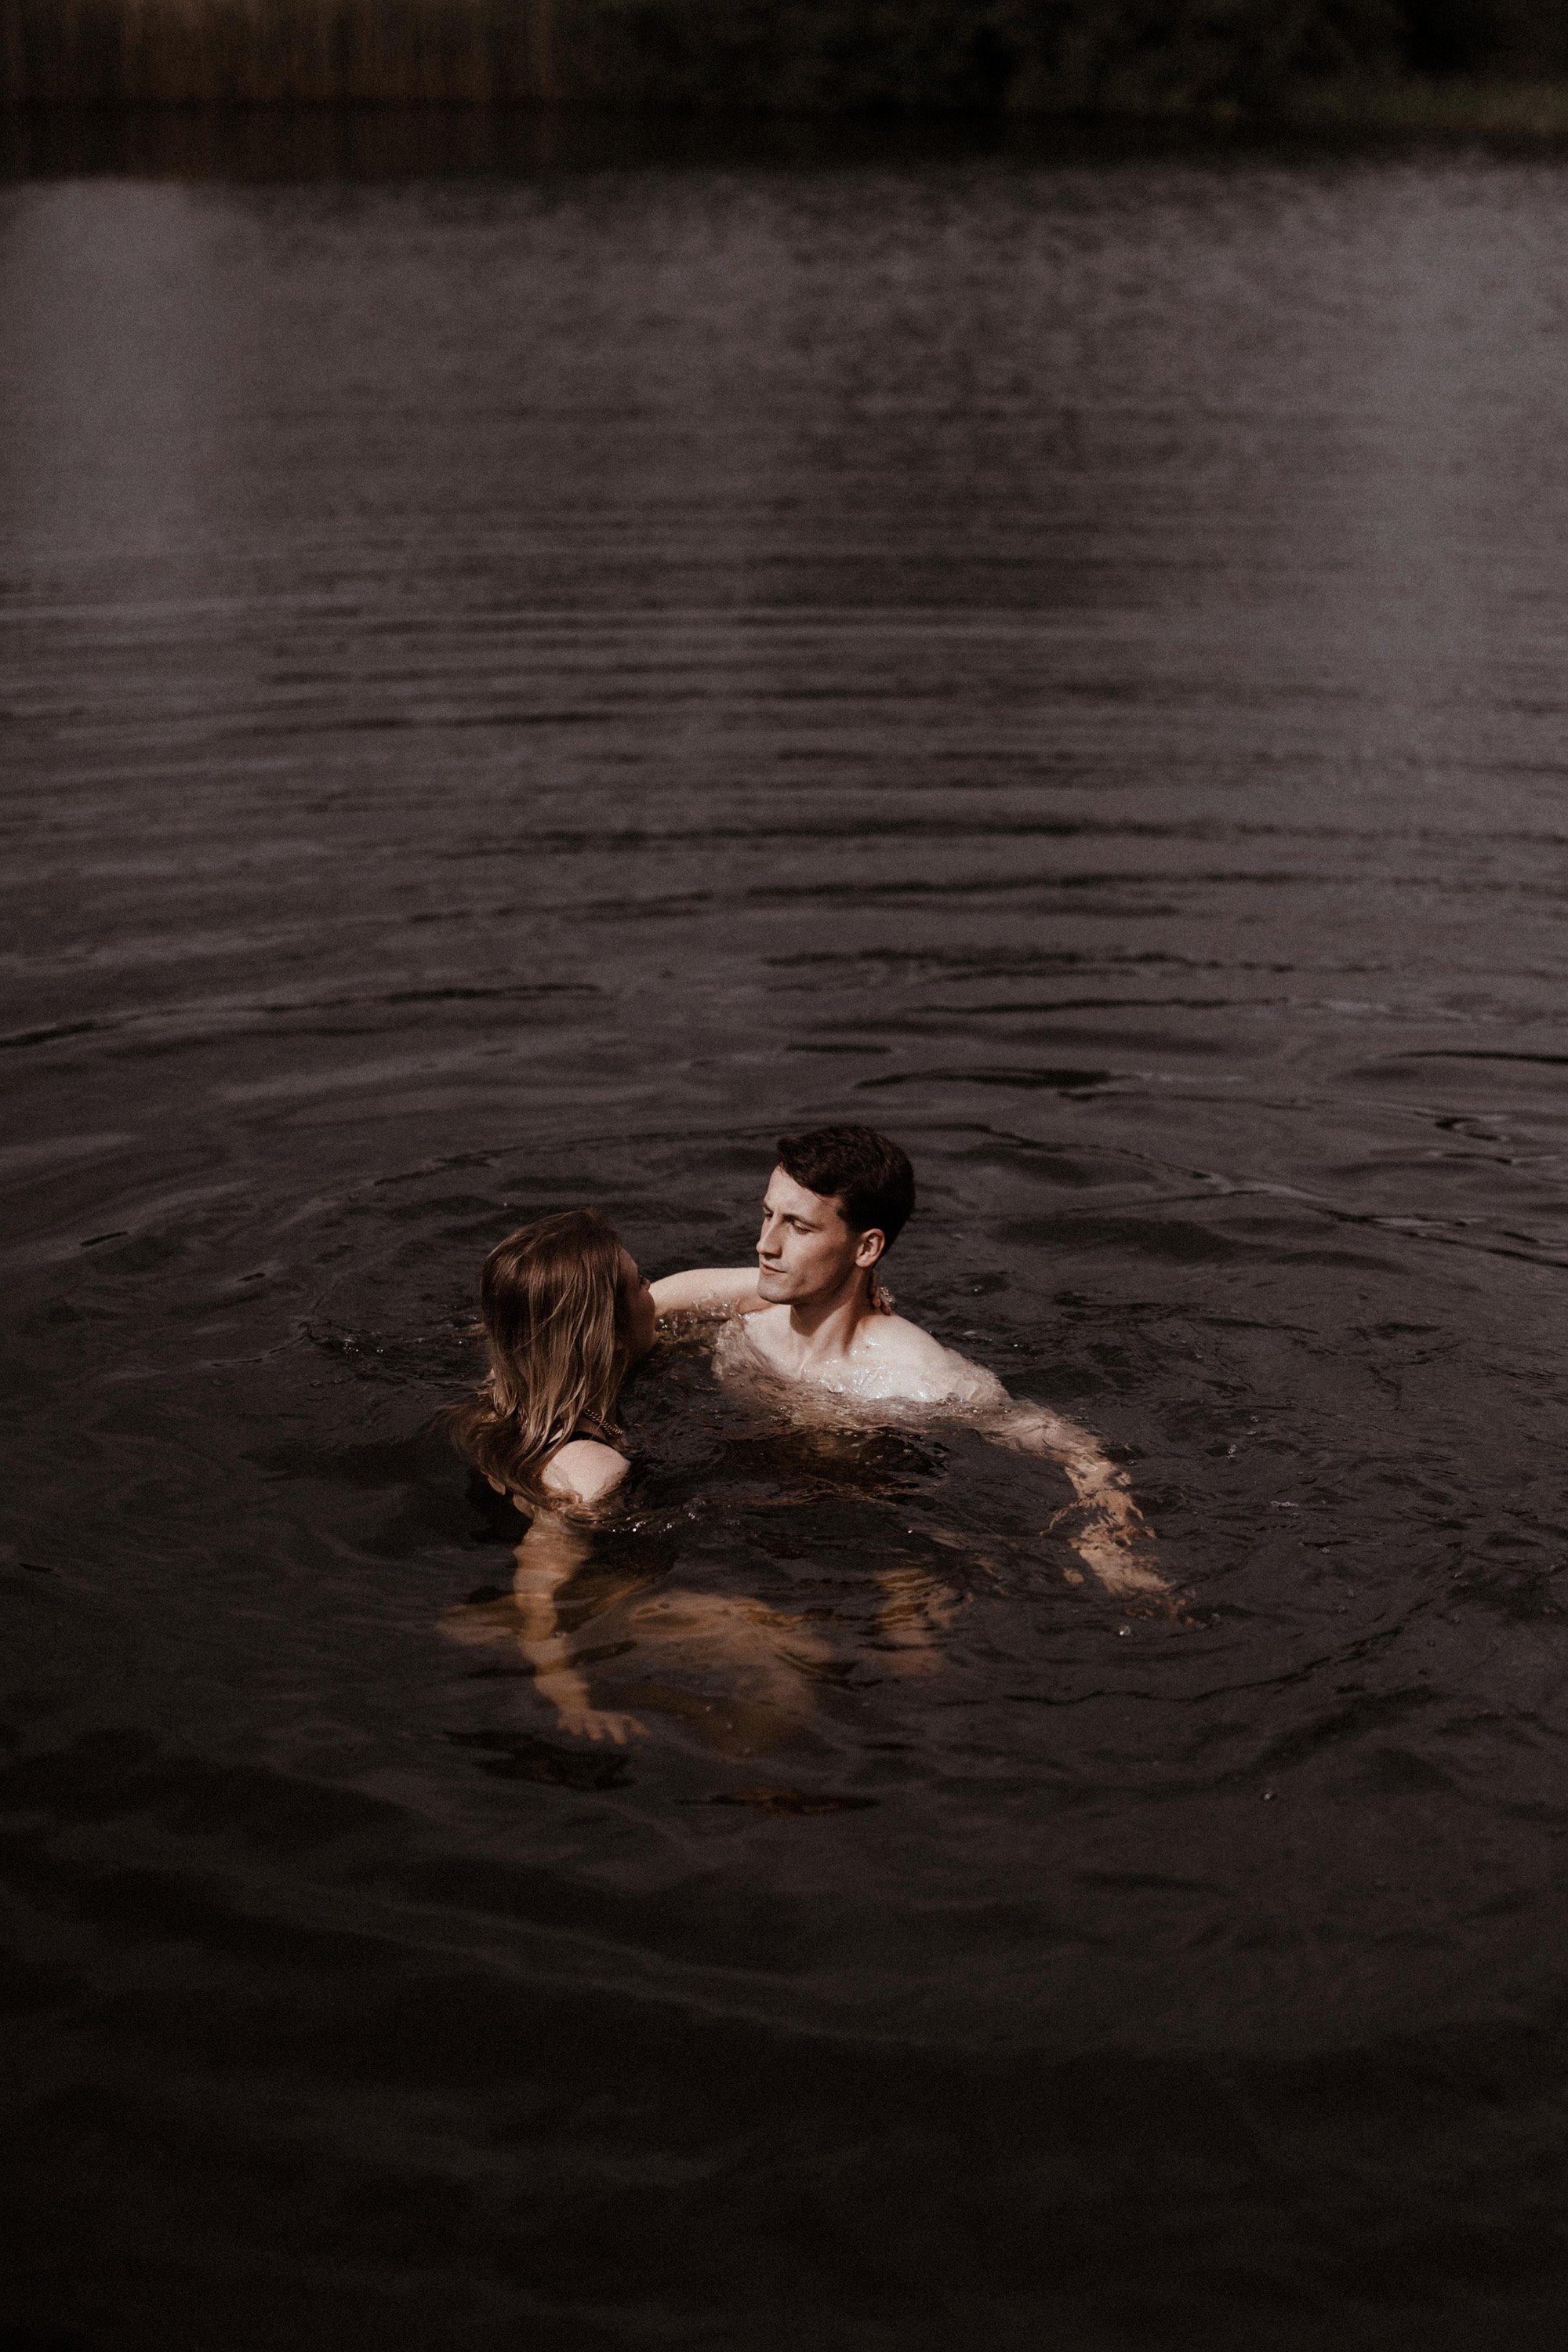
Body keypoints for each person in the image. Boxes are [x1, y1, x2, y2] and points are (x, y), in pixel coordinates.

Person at [653, 1125, 1164, 1602]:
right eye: (767, 1215)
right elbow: (631, 1310)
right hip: (746, 1529)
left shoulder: (917, 1379)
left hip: (871, 1543)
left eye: (798, 1227)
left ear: (867, 1247)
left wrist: (1110, 1541)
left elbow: (1081, 1451)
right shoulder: (747, 1313)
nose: (765, 1244)